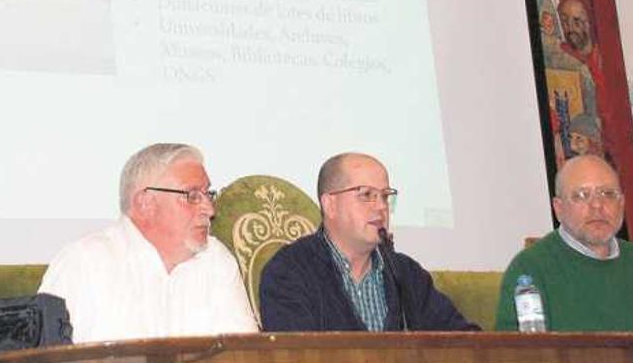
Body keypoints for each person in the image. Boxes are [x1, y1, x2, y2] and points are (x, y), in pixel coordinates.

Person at [38, 143, 257, 343]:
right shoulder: (84, 262)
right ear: (145, 203)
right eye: (192, 195)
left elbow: (245, 355)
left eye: (208, 194)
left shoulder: (216, 260)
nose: (210, 209)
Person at [259, 152, 478, 332]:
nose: (381, 207)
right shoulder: (289, 271)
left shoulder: (406, 273)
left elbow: (463, 342)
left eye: (385, 196)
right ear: (330, 205)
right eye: (366, 195)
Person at [495, 155, 633, 331]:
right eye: (581, 195)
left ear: (622, 204)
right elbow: (517, 353)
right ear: (559, 209)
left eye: (608, 194)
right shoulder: (530, 269)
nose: (597, 205)